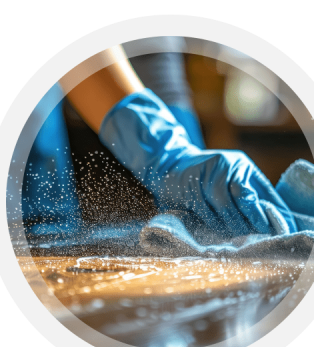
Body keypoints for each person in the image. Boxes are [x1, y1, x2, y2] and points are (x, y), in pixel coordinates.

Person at [59, 45, 297, 239]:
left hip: (162, 80)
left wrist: (180, 150)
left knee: (208, 224)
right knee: (45, 230)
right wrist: (168, 154)